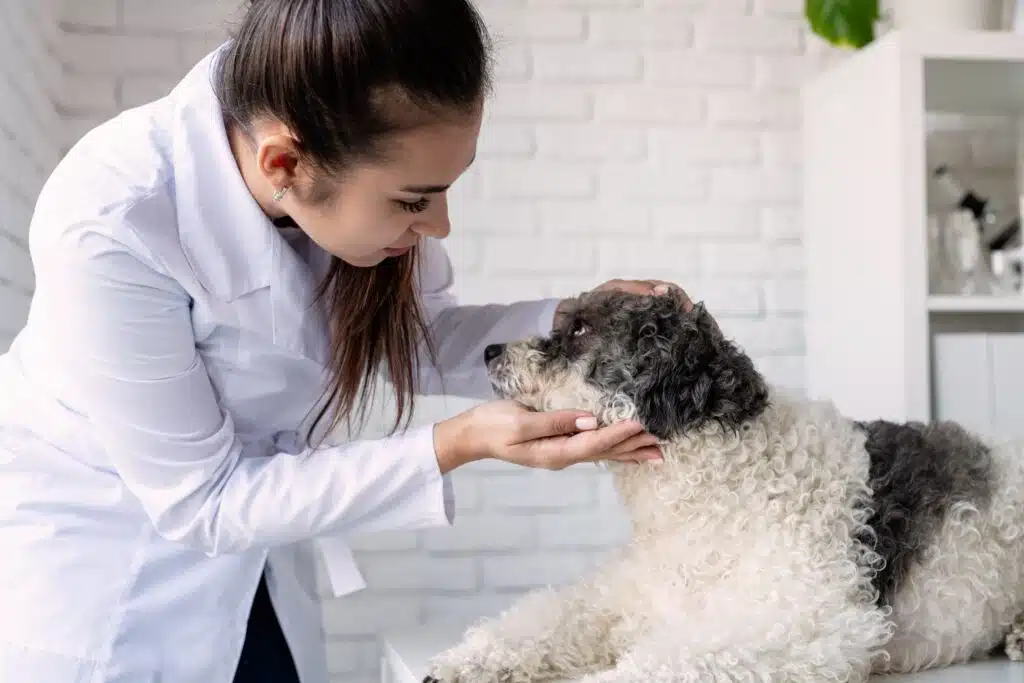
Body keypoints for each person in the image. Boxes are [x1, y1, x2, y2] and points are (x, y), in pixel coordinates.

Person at [0, 1, 680, 682]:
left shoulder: (342, 174)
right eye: (415, 200)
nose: (439, 225)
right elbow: (203, 499)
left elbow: (420, 339)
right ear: (285, 162)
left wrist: (576, 321)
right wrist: (456, 442)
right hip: (112, 577)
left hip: (255, 555)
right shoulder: (115, 218)